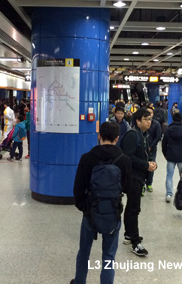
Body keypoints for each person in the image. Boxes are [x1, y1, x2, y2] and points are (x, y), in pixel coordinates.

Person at [71, 122, 131, 284]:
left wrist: (86, 208)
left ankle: (79, 281)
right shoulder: (124, 161)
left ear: (99, 136)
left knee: (84, 252)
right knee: (109, 256)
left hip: (90, 212)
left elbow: (77, 190)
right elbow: (126, 187)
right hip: (113, 213)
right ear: (117, 138)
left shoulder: (87, 158)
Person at [121, 108, 156, 256]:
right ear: (138, 121)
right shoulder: (132, 135)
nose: (149, 122)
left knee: (132, 206)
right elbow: (127, 157)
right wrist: (145, 165)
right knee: (134, 208)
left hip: (139, 176)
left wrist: (150, 163)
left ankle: (129, 234)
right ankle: (135, 242)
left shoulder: (143, 135)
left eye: (150, 119)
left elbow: (141, 155)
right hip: (132, 177)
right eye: (146, 119)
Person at [162, 112, 182, 203]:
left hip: (170, 155)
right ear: (181, 120)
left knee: (169, 175)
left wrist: (165, 154)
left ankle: (169, 194)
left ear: (173, 119)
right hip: (181, 156)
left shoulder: (168, 130)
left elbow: (164, 143)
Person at [142, 107, 161, 194]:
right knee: (143, 165)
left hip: (152, 149)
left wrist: (151, 146)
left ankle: (149, 183)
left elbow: (158, 137)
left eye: (151, 113)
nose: (150, 114)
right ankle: (142, 184)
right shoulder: (142, 124)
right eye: (147, 113)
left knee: (152, 165)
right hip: (142, 148)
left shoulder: (156, 124)